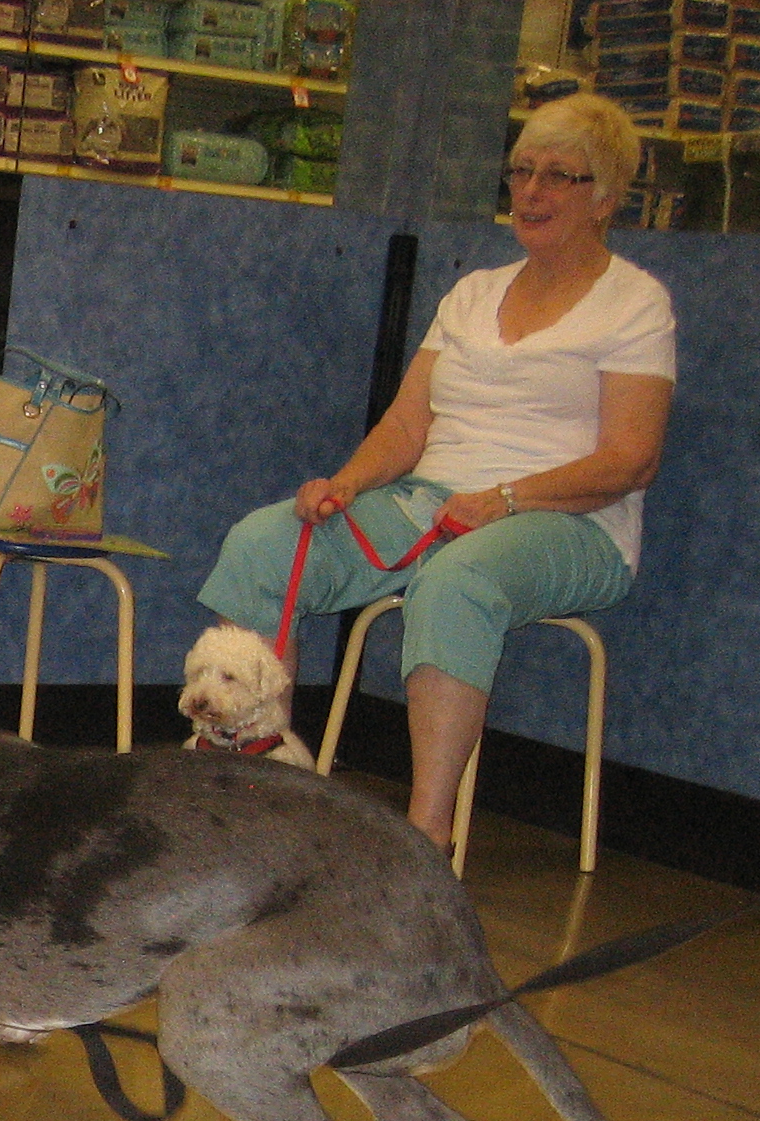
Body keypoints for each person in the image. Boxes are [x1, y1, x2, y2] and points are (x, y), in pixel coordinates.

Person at [197, 93, 677, 850]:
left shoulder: (636, 304)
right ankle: (253, 789)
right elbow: (405, 427)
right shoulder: (472, 293)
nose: (531, 191)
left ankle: (427, 834)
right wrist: (347, 483)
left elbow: (631, 459)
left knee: (458, 582)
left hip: (570, 522)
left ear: (606, 198)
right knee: (264, 541)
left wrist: (505, 499)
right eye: (521, 170)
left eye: (557, 175)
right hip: (432, 501)